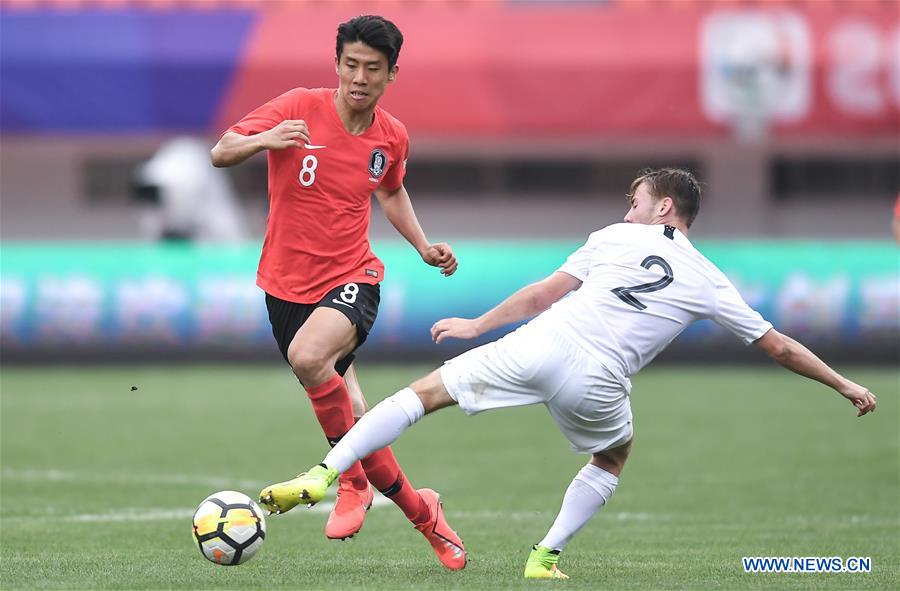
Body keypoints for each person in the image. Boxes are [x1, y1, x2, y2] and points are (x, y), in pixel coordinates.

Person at [275, 167, 877, 579]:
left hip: (544, 340)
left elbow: (543, 295)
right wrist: (843, 383)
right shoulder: (707, 277)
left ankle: (325, 473)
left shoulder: (614, 237)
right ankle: (544, 556)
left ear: (663, 206)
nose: (627, 208)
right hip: (601, 379)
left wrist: (477, 324)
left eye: (635, 199)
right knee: (612, 458)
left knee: (421, 394)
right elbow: (778, 347)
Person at [209, 15, 465, 570]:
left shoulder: (391, 135)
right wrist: (265, 140)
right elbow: (221, 150)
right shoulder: (298, 106)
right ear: (337, 66)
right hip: (284, 286)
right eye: (350, 65)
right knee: (353, 412)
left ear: (391, 74)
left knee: (308, 357)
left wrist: (422, 247)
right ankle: (426, 516)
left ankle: (349, 483)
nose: (359, 77)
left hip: (354, 276)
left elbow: (391, 191)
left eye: (372, 68)